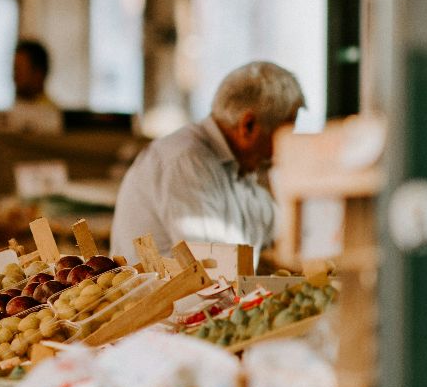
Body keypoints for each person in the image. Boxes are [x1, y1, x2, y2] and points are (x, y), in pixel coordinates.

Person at [110, 61, 306, 260]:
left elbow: (280, 229)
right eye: (283, 136)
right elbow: (216, 269)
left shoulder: (239, 167)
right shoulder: (186, 162)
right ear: (248, 126)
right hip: (167, 292)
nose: (282, 150)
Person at [0, 39, 62, 134]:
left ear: (38, 74)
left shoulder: (52, 118)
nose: (14, 77)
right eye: (14, 70)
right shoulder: (8, 114)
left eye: (19, 70)